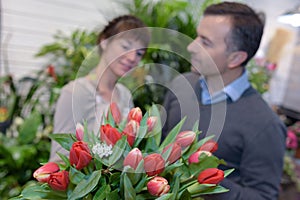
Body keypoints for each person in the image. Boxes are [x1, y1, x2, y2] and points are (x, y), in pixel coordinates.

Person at [162, 2, 286, 199]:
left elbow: (262, 196)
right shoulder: (181, 84)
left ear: (235, 58)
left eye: (206, 42)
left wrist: (208, 178)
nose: (191, 46)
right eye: (197, 36)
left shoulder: (265, 125)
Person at [49, 15, 150, 162]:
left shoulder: (124, 95)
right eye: (125, 46)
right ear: (104, 42)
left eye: (139, 53)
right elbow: (59, 159)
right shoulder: (75, 92)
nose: (132, 57)